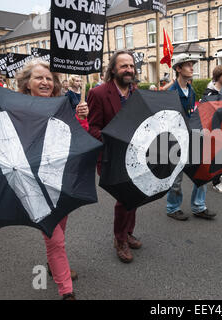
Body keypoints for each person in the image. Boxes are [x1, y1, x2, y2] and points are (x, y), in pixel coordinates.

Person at [16, 58, 89, 300]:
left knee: (60, 229)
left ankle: (54, 264)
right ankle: (66, 290)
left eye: (49, 78)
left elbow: (77, 138)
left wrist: (82, 118)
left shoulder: (61, 106)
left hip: (60, 181)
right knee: (55, 238)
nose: (45, 82)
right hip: (34, 185)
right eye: (39, 77)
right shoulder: (17, 109)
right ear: (27, 83)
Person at [88, 50, 142, 263]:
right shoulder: (99, 93)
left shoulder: (136, 93)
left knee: (136, 195)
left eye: (131, 66)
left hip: (136, 156)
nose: (129, 69)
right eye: (123, 66)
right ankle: (119, 239)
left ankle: (128, 232)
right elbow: (93, 128)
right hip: (112, 158)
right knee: (124, 199)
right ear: (113, 70)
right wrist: (115, 140)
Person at [166, 53, 216, 221]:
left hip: (192, 136)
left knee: (202, 171)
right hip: (176, 140)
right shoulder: (171, 92)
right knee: (177, 178)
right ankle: (173, 208)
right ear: (178, 69)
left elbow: (192, 114)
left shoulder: (192, 90)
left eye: (192, 64)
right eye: (187, 65)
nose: (192, 67)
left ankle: (199, 206)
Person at [203, 65, 222, 193]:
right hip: (214, 131)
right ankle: (216, 182)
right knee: (218, 157)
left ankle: (215, 178)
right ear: (218, 76)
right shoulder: (210, 92)